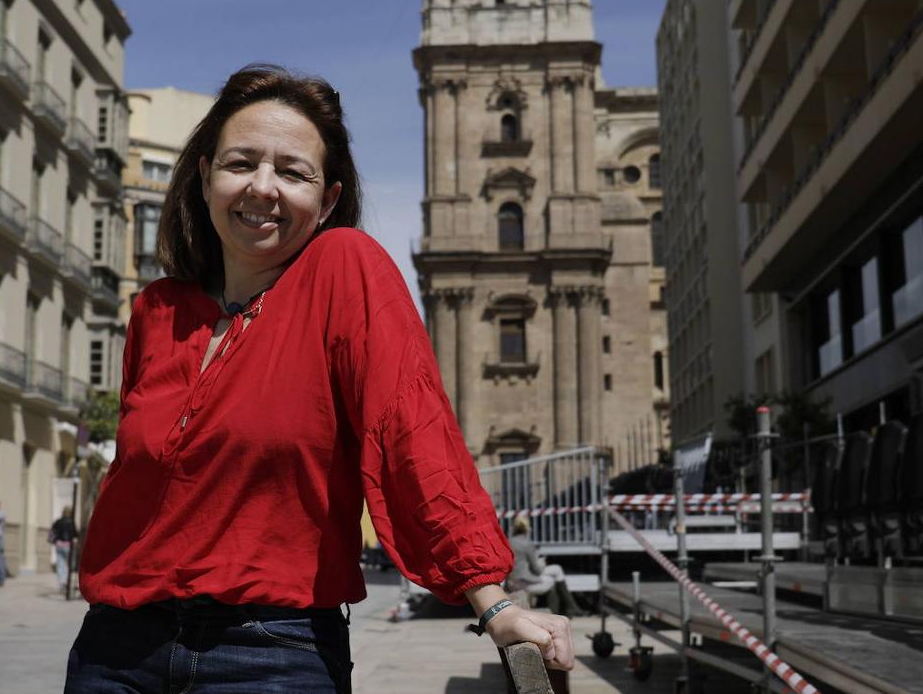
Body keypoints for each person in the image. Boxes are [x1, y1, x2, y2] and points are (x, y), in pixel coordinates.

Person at [64, 65, 573, 693]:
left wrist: (495, 603)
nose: (262, 187)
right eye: (240, 163)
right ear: (203, 176)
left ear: (327, 199)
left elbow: (412, 430)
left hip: (268, 653)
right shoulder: (156, 311)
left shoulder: (344, 268)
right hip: (115, 650)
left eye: (292, 172)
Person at [507, 515, 581, 618]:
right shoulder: (527, 543)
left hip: (512, 581)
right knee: (553, 579)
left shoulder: (508, 542)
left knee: (556, 571)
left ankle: (570, 608)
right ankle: (558, 612)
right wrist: (542, 563)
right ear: (528, 528)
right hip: (525, 582)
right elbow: (536, 570)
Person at [49, 506, 78, 594]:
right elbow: (75, 534)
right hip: (68, 545)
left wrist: (53, 540)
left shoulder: (58, 521)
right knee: (69, 564)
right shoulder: (71, 522)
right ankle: (67, 581)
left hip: (59, 545)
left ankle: (62, 582)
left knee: (60, 564)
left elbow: (52, 531)